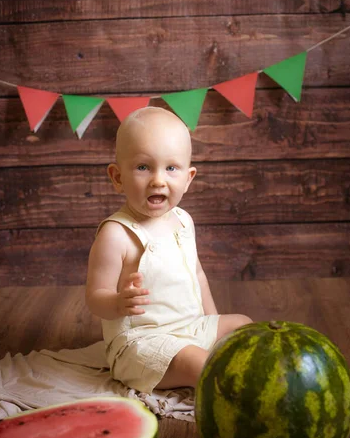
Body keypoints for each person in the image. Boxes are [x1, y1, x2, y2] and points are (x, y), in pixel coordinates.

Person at [85, 106, 253, 393]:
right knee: (196, 363)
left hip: (190, 329)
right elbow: (94, 297)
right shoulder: (116, 234)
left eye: (171, 168)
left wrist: (211, 324)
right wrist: (117, 303)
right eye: (143, 167)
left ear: (188, 179)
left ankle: (250, 369)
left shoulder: (183, 221)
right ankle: (240, 391)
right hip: (143, 344)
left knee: (244, 325)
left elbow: (198, 275)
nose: (158, 180)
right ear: (117, 177)